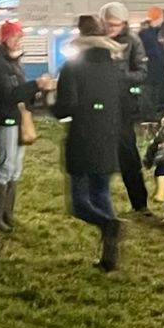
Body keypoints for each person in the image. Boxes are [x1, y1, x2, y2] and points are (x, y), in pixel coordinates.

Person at [56, 15, 129, 270]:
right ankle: (110, 258)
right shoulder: (113, 67)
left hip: (83, 137)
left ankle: (109, 225)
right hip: (108, 136)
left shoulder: (73, 67)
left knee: (78, 203)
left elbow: (66, 106)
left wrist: (47, 99)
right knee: (101, 193)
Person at [0, 21, 39, 236]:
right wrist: (36, 86)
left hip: (16, 118)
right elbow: (9, 94)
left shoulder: (12, 61)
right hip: (4, 118)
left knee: (15, 167)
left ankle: (6, 215)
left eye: (19, 36)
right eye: (14, 36)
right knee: (6, 166)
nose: (18, 40)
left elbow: (18, 91)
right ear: (4, 38)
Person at [100, 2, 152, 213]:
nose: (112, 28)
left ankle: (139, 204)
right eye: (109, 24)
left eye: (117, 24)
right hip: (97, 106)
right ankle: (96, 202)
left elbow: (142, 72)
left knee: (128, 154)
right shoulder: (94, 41)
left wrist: (121, 77)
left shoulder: (133, 41)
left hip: (122, 106)